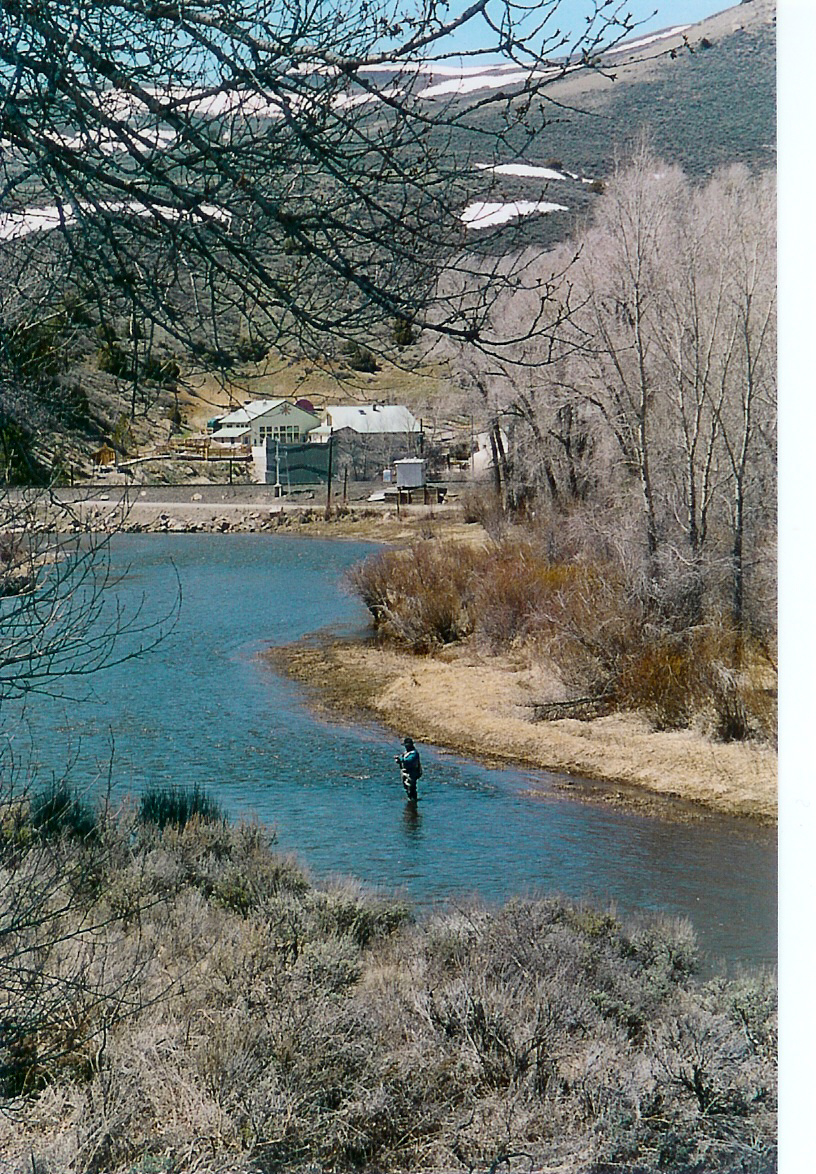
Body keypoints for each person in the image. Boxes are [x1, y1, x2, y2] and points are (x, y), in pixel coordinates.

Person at [395, 736, 422, 802]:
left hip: (412, 773)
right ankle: (411, 801)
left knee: (411, 787)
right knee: (406, 787)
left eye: (407, 745)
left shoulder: (414, 753)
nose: (406, 747)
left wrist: (400, 759)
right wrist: (398, 761)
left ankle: (413, 800)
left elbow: (408, 760)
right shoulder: (406, 753)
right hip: (405, 772)